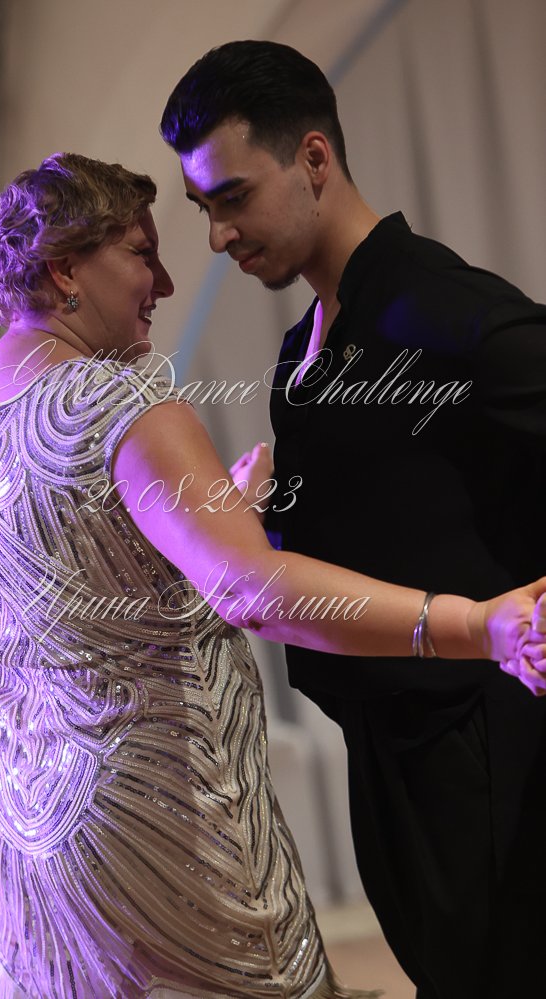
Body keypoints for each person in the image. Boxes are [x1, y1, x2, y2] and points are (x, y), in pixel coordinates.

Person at [0, 153, 545, 999]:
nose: (165, 282)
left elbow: (79, 590)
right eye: (142, 253)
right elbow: (248, 587)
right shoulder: (119, 401)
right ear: (65, 267)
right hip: (151, 805)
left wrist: (224, 509)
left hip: (11, 813)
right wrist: (477, 624)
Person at [159, 40, 546, 999]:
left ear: (315, 159)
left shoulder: (438, 309)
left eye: (233, 196)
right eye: (203, 207)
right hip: (391, 749)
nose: (217, 235)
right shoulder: (306, 347)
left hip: (487, 751)